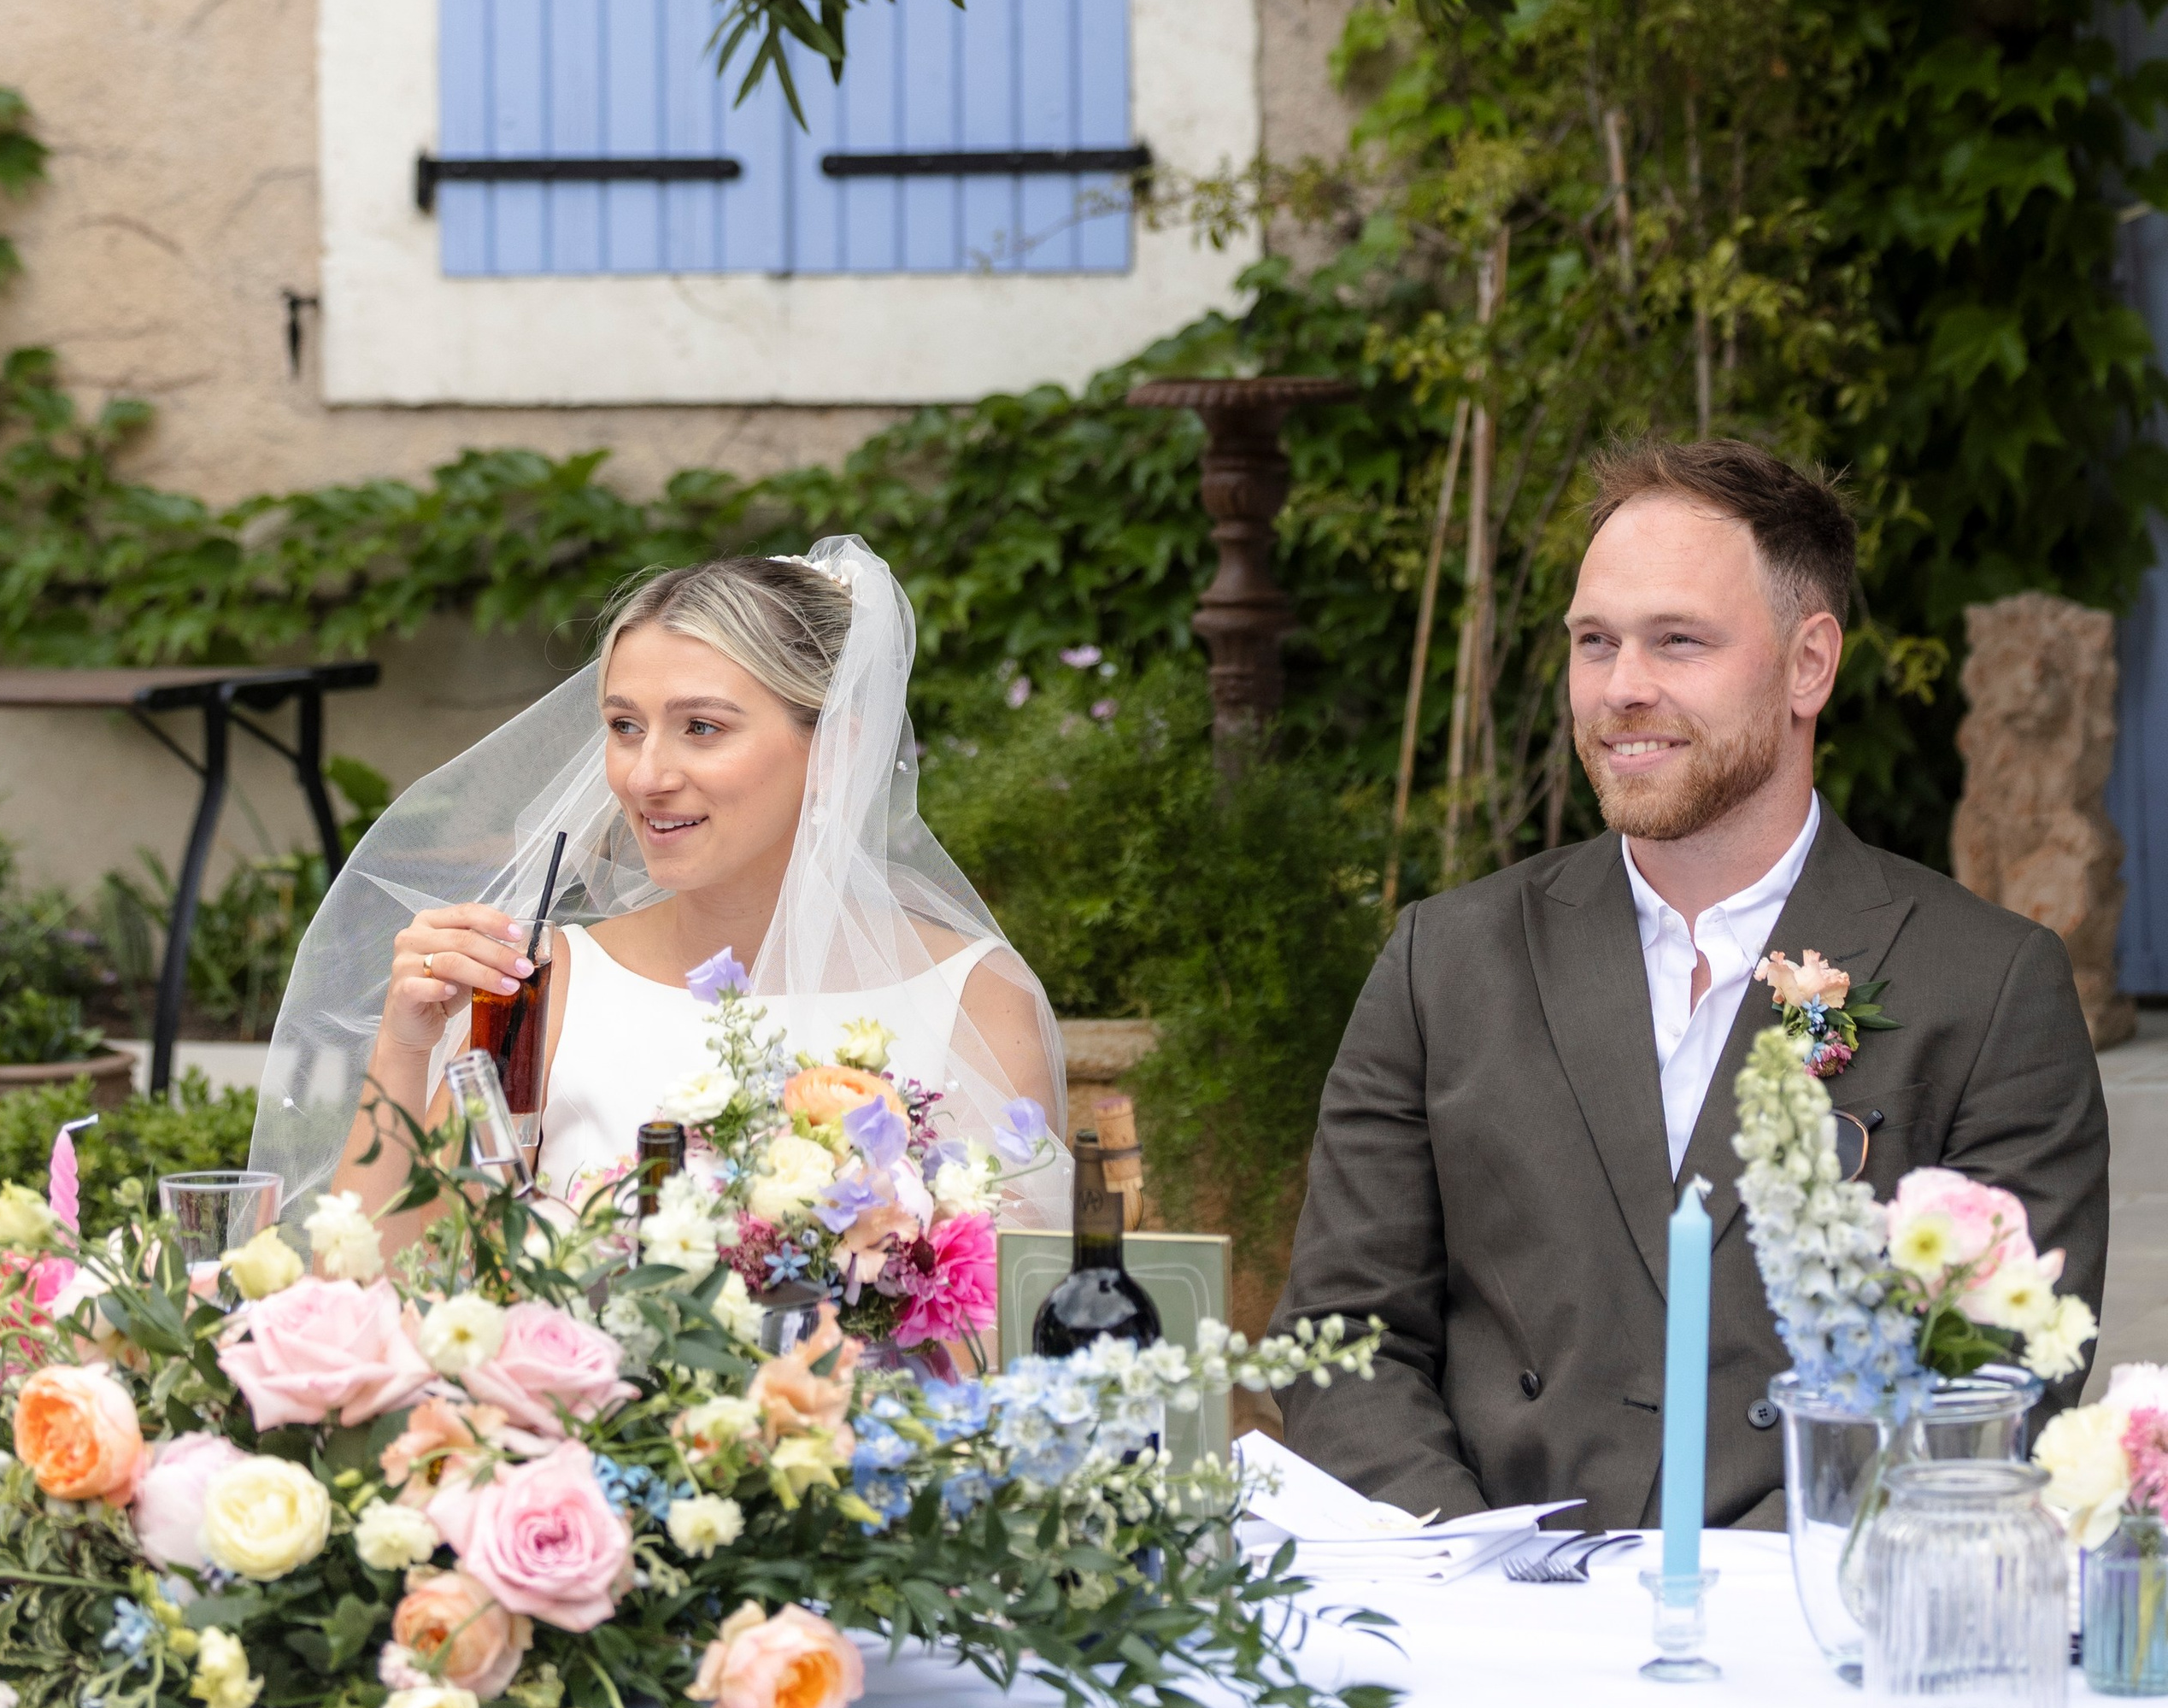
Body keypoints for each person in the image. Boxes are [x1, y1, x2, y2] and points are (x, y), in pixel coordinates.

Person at [1272, 438, 2110, 1528]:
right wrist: (1487, 1574)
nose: (1622, 687)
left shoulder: (1987, 985)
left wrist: (1751, 1584)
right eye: (1594, 642)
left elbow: (1998, 1375)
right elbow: (1340, 1337)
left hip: (1808, 1603)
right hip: (1496, 1601)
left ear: (1809, 665)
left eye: (1678, 640)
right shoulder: (1445, 962)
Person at [251, 538, 1067, 1229]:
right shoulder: (542, 986)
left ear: (835, 752)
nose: (645, 777)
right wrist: (405, 1046)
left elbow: (1000, 1320)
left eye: (701, 727)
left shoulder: (975, 1002)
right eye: (624, 727)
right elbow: (381, 1287)